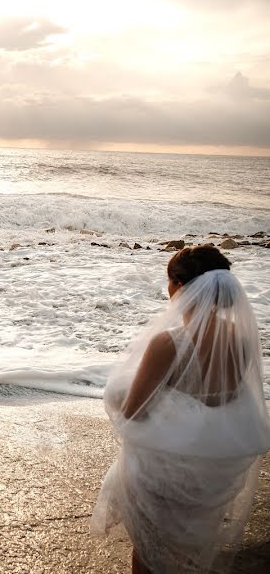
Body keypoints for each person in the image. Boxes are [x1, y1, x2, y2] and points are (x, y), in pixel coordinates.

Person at [91, 245, 270, 574]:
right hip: (210, 470)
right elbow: (220, 401)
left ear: (181, 286)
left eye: (169, 281)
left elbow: (133, 413)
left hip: (163, 472)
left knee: (149, 552)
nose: (167, 290)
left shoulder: (170, 343)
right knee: (185, 552)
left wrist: (119, 395)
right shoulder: (240, 338)